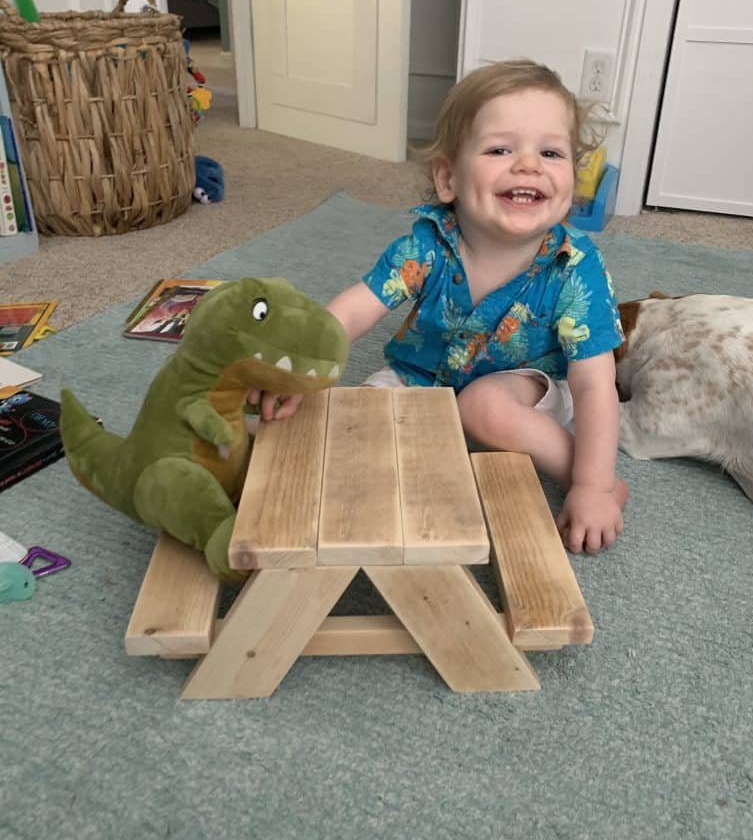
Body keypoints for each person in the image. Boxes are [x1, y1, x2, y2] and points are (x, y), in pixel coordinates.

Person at [252, 60, 628, 555]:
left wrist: (592, 487)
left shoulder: (574, 267)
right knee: (353, 421)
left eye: (551, 152)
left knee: (484, 405)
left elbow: (595, 383)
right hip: (422, 375)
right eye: (500, 149)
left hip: (526, 382)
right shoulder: (427, 245)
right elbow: (354, 310)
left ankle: (585, 471)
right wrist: (297, 365)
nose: (529, 165)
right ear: (448, 179)